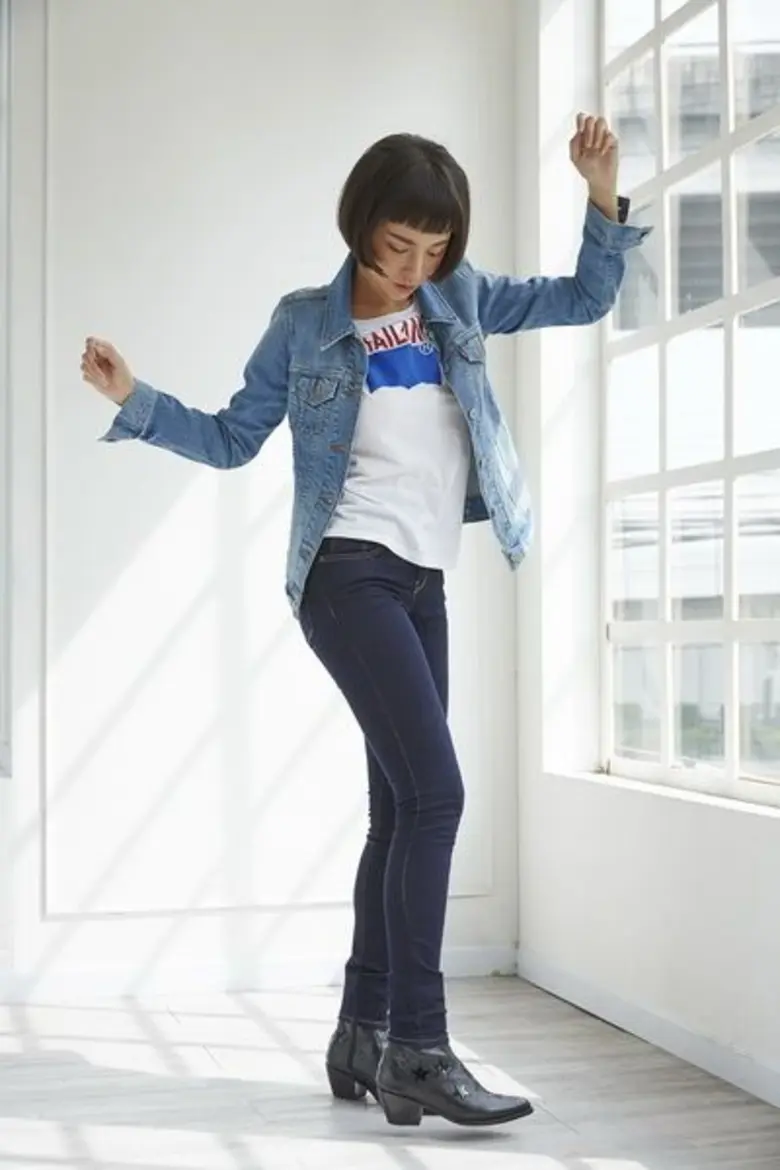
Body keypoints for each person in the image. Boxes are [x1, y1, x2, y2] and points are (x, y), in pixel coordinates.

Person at [81, 113, 648, 1129]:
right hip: (346, 575)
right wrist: (135, 397)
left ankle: (361, 1033)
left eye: (434, 249)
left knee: (399, 808)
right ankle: (419, 1050)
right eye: (397, 246)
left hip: (424, 578)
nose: (413, 269)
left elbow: (583, 297)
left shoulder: (458, 299)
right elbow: (232, 438)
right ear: (359, 228)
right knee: (438, 796)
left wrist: (602, 197)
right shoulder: (305, 324)